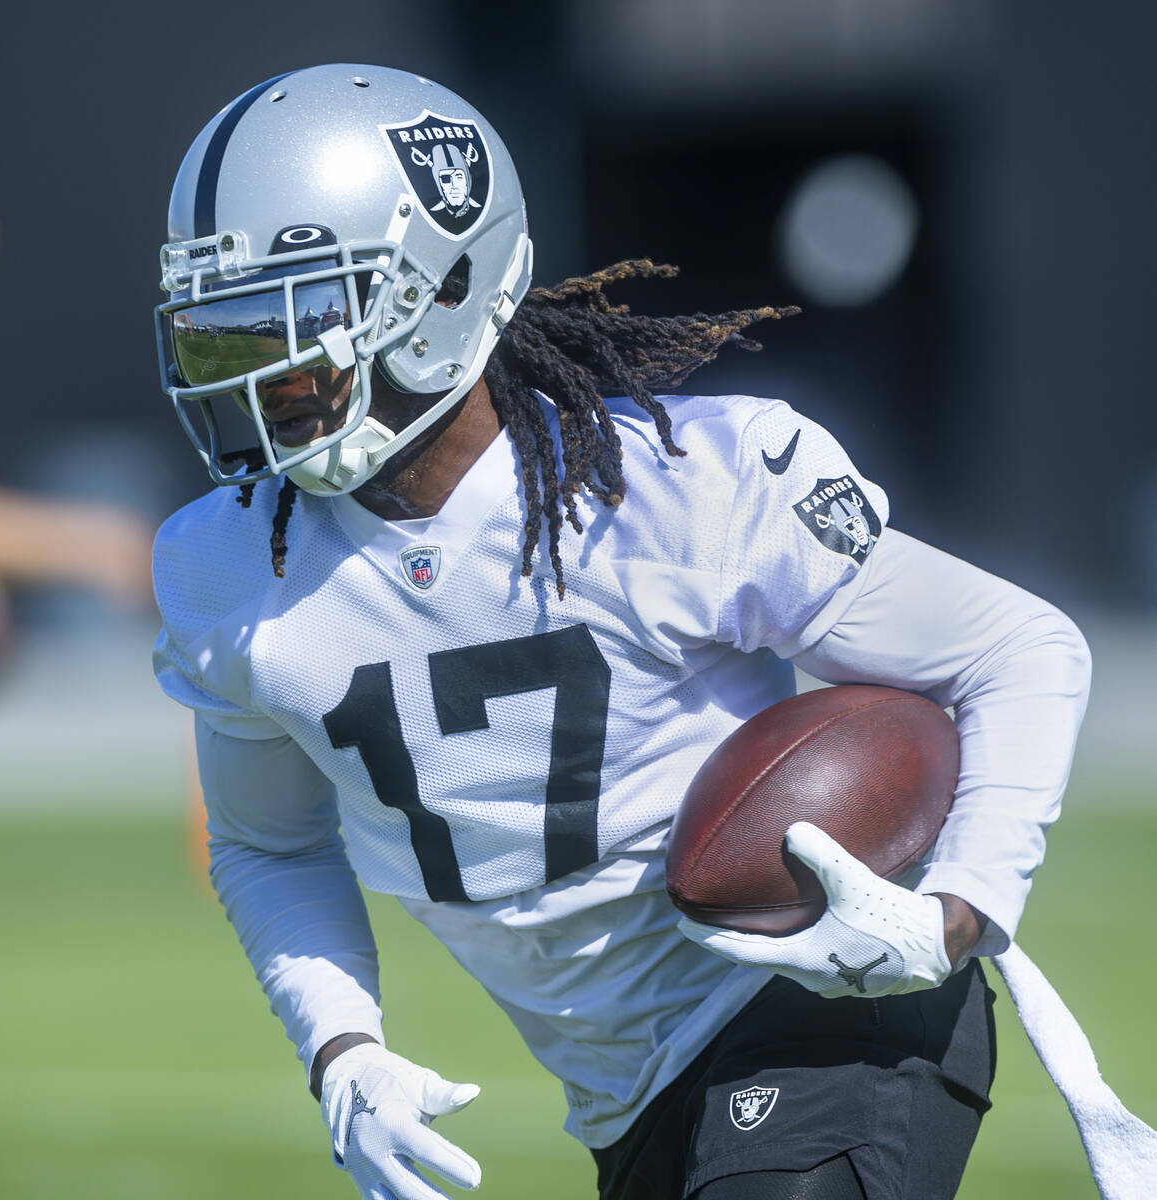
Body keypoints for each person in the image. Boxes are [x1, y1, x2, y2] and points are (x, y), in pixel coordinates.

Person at [151, 64, 1091, 1200]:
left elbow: (1019, 650)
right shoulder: (227, 567)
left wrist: (953, 912)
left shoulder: (676, 487)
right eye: (223, 336)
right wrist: (341, 1048)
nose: (262, 377)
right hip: (627, 1092)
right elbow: (269, 842)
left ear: (437, 292)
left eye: (297, 324)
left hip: (824, 1003)